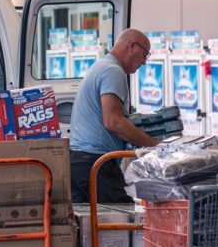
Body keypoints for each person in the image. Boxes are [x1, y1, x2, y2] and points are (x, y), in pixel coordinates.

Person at [69, 28, 161, 203]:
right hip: (96, 163)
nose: (144, 63)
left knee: (88, 225)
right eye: (144, 55)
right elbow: (114, 122)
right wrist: (154, 146)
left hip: (79, 162)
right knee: (121, 222)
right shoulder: (113, 71)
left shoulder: (100, 66)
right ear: (132, 46)